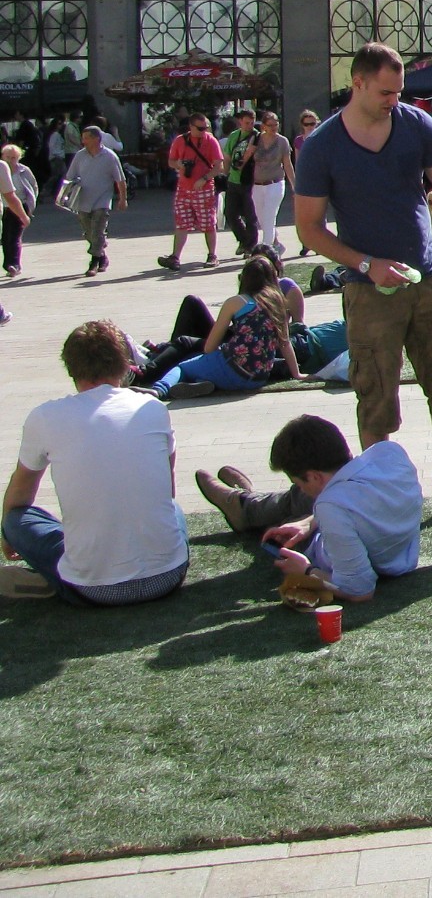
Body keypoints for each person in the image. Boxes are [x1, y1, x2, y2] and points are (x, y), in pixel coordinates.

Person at [293, 41, 432, 521]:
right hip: (369, 290)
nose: (394, 101)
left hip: (429, 278)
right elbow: (308, 229)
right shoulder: (321, 145)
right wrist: (364, 264)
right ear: (357, 83)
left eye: (398, 91)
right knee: (375, 392)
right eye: (385, 92)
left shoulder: (417, 124)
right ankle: (381, 494)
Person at [1, 320, 187, 604]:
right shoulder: (153, 408)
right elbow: (167, 489)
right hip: (168, 576)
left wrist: (8, 534)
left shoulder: (45, 416)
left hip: (92, 591)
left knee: (16, 521)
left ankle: (57, 575)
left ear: (71, 368)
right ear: (124, 365)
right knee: (171, 508)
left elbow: (20, 495)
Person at [251, 415, 422, 601]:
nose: (301, 488)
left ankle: (241, 500)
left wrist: (306, 570)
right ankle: (243, 497)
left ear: (315, 476)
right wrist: (309, 523)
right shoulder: (391, 452)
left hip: (324, 545)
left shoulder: (330, 506)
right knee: (293, 507)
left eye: (299, 483)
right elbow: (361, 506)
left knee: (286, 510)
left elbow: (359, 590)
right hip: (395, 555)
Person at [143, 253, 302, 400]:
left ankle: (159, 390)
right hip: (258, 378)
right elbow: (285, 343)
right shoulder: (278, 304)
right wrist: (298, 374)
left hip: (232, 368)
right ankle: (202, 383)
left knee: (184, 367)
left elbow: (209, 347)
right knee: (206, 366)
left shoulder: (236, 302)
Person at [159, 112, 225, 272]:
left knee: (208, 223)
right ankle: (175, 257)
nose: (204, 131)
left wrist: (204, 178)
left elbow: (219, 166)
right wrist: (179, 164)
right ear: (191, 127)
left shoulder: (211, 141)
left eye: (206, 127)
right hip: (184, 188)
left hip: (204, 188)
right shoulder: (180, 141)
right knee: (182, 223)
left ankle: (212, 255)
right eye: (200, 128)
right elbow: (170, 161)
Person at [60, 125, 127, 277]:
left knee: (97, 229)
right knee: (89, 233)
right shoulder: (79, 156)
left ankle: (94, 262)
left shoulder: (109, 156)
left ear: (96, 138)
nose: (83, 141)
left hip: (102, 200)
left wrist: (123, 199)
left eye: (86, 138)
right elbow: (69, 177)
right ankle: (102, 256)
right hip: (83, 200)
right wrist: (66, 196)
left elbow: (120, 180)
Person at [249, 111, 295, 255]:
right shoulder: (256, 139)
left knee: (269, 216)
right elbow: (247, 157)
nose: (274, 128)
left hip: (275, 183)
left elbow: (287, 164)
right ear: (263, 126)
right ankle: (277, 245)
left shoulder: (282, 141)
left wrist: (295, 185)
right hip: (257, 184)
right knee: (262, 218)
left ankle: (265, 251)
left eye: (276, 124)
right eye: (270, 125)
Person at [219, 107, 261, 256]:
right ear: (240, 122)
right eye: (247, 123)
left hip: (249, 181)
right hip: (233, 180)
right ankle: (243, 240)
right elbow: (227, 156)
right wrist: (225, 172)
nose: (250, 126)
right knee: (230, 214)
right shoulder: (234, 136)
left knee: (250, 216)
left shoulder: (256, 136)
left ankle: (251, 246)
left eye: (252, 122)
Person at [2, 140, 34, 278]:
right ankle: (7, 263)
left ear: (19, 157)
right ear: (3, 156)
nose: (10, 160)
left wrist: (28, 210)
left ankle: (14, 264)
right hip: (5, 207)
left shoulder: (23, 170)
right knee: (5, 237)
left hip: (20, 205)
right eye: (8, 157)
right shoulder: (2, 169)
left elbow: (33, 187)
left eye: (13, 157)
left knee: (14, 236)